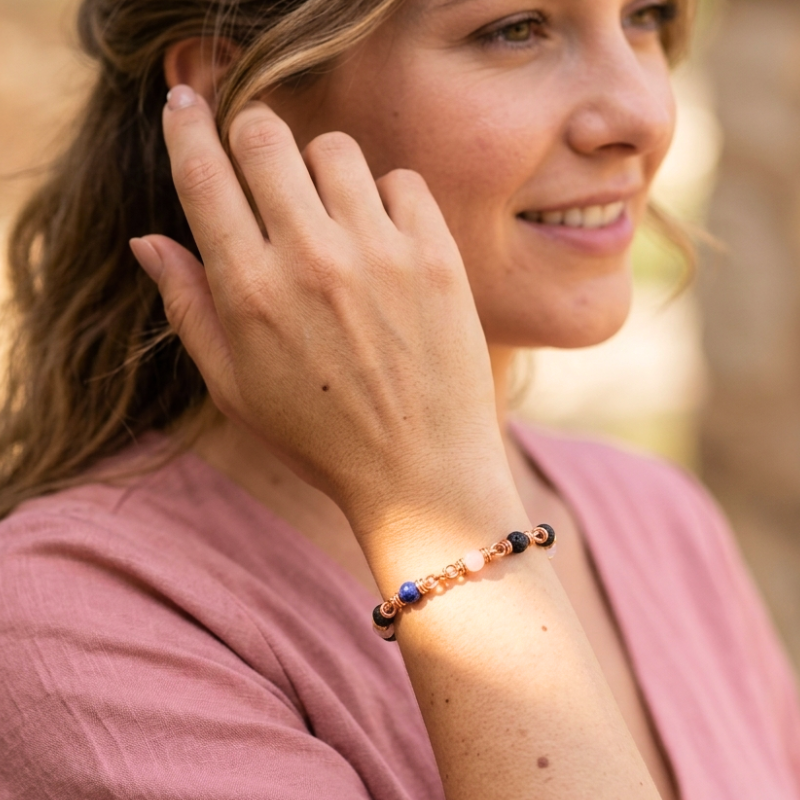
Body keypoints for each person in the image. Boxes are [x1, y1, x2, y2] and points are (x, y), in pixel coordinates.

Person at [0, 0, 798, 797]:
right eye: (514, 29)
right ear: (236, 97)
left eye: (646, 17)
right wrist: (430, 505)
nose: (643, 115)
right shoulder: (75, 626)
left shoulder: (656, 517)